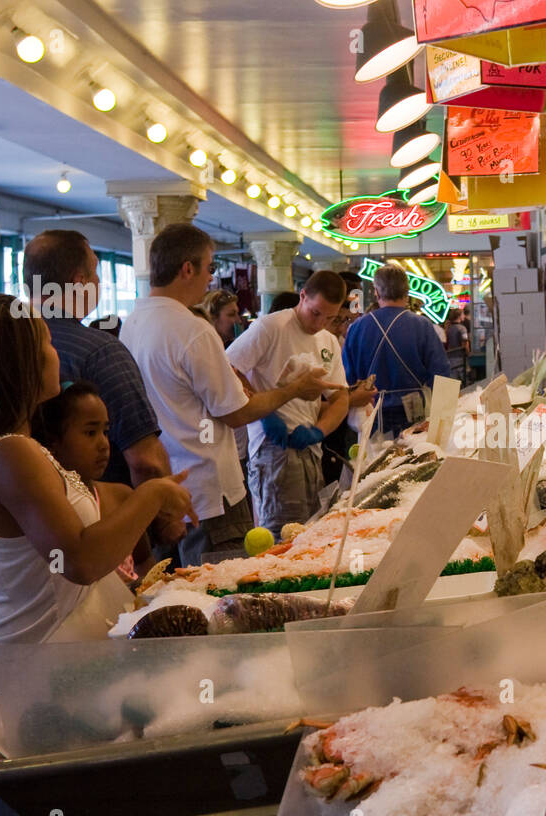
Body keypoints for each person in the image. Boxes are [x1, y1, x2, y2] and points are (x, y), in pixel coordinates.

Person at [0, 293, 195, 816]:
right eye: (46, 344)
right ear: (18, 364)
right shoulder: (9, 454)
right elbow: (77, 558)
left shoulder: (18, 450)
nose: (58, 351)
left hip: (31, 677)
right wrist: (152, 493)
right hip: (3, 687)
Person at [121, 223, 337, 565]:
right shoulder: (192, 329)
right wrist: (294, 389)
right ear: (187, 269)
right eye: (209, 268)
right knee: (218, 602)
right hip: (208, 495)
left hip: (162, 492)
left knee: (174, 601)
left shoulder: (132, 323)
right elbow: (236, 411)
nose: (211, 278)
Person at [22, 230, 173, 495]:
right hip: (96, 513)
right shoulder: (100, 352)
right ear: (79, 282)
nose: (99, 282)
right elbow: (145, 461)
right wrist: (165, 516)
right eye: (95, 273)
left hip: (16, 502)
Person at [227, 271, 375, 528]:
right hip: (273, 447)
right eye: (315, 313)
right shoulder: (271, 327)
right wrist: (264, 413)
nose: (319, 323)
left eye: (329, 317)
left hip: (310, 450)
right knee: (280, 533)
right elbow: (228, 369)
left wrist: (319, 431)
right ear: (303, 296)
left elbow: (339, 396)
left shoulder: (328, 339)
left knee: (305, 530)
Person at [32, 381, 152, 582]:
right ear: (53, 442)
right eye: (90, 433)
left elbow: (145, 561)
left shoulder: (121, 496)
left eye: (105, 432)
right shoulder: (50, 514)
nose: (103, 444)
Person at [343, 262, 452, 437]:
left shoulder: (357, 328)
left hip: (370, 413)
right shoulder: (422, 325)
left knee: (372, 461)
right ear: (407, 292)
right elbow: (442, 376)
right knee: (412, 459)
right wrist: (444, 424)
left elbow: (347, 379)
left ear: (376, 292)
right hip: (413, 411)